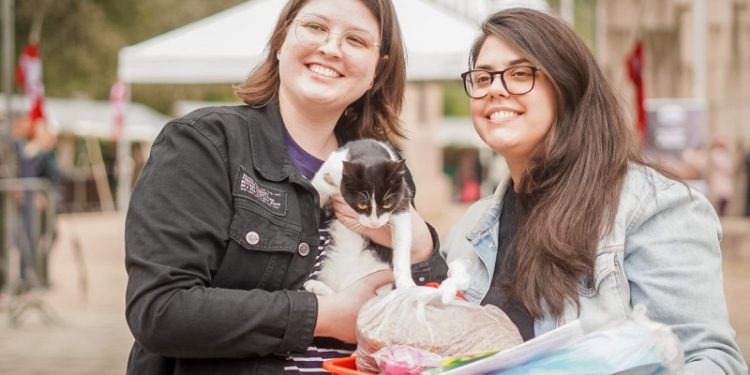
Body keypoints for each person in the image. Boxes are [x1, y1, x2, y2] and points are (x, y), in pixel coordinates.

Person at [124, 0, 445, 374]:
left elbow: (429, 325)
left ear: (377, 69)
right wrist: (322, 316)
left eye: (356, 40)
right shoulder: (205, 144)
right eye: (315, 27)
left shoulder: (384, 170)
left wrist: (422, 248)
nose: (331, 47)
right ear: (280, 40)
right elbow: (160, 310)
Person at [440, 8, 747, 374]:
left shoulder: (654, 207)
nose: (496, 88)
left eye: (520, 73)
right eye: (483, 77)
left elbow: (712, 362)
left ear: (566, 87)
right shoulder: (469, 230)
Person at [706, 135, 734, 216]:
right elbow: (720, 164)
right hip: (718, 178)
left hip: (725, 178)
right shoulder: (714, 153)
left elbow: (730, 165)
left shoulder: (726, 153)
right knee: (719, 198)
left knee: (725, 198)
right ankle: (719, 214)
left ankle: (722, 214)